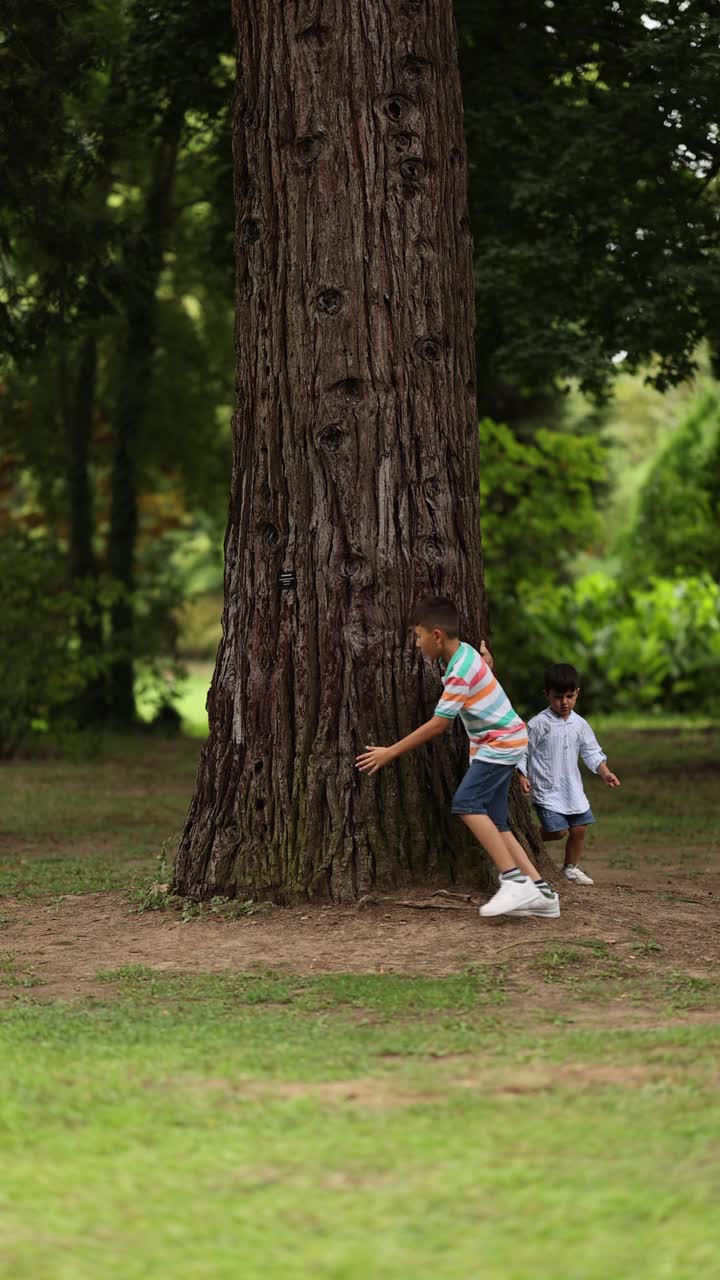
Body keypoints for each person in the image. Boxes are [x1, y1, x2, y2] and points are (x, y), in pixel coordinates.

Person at [355, 597, 560, 919]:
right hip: (501, 742)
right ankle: (543, 894)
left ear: (437, 635)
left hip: (500, 743)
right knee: (497, 822)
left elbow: (439, 724)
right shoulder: (466, 656)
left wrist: (390, 752)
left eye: (419, 636)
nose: (417, 643)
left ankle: (514, 882)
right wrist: (487, 667)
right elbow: (480, 676)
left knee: (466, 804)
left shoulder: (458, 671)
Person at [517, 663, 620, 885]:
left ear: (577, 694)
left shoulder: (580, 724)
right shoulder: (538, 724)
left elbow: (592, 751)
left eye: (569, 696)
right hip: (547, 788)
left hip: (572, 788)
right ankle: (524, 838)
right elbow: (523, 750)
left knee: (580, 828)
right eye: (558, 697)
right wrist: (521, 775)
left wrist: (605, 773)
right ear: (547, 694)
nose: (564, 702)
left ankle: (570, 868)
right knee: (557, 831)